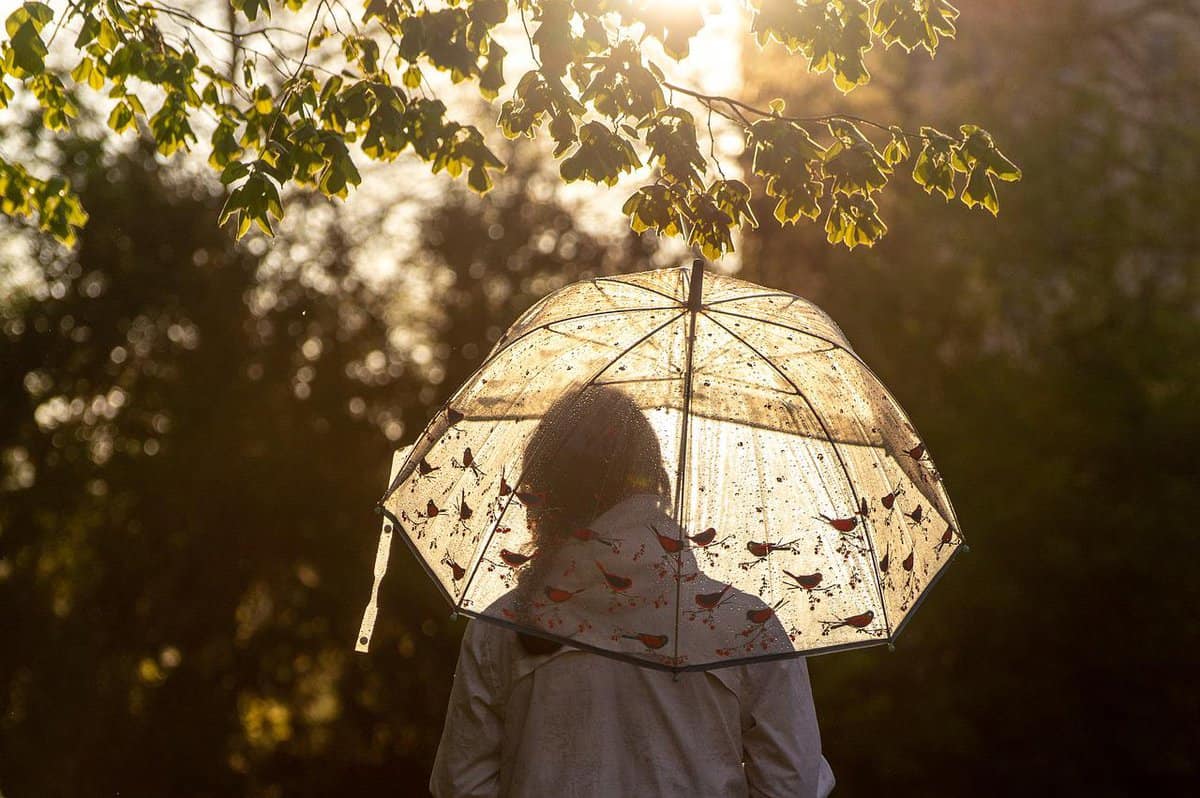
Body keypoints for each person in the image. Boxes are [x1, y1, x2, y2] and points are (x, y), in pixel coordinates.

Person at [429, 386, 836, 797]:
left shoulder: (503, 627)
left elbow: (461, 786)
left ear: (542, 491)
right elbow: (793, 786)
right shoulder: (746, 627)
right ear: (654, 481)